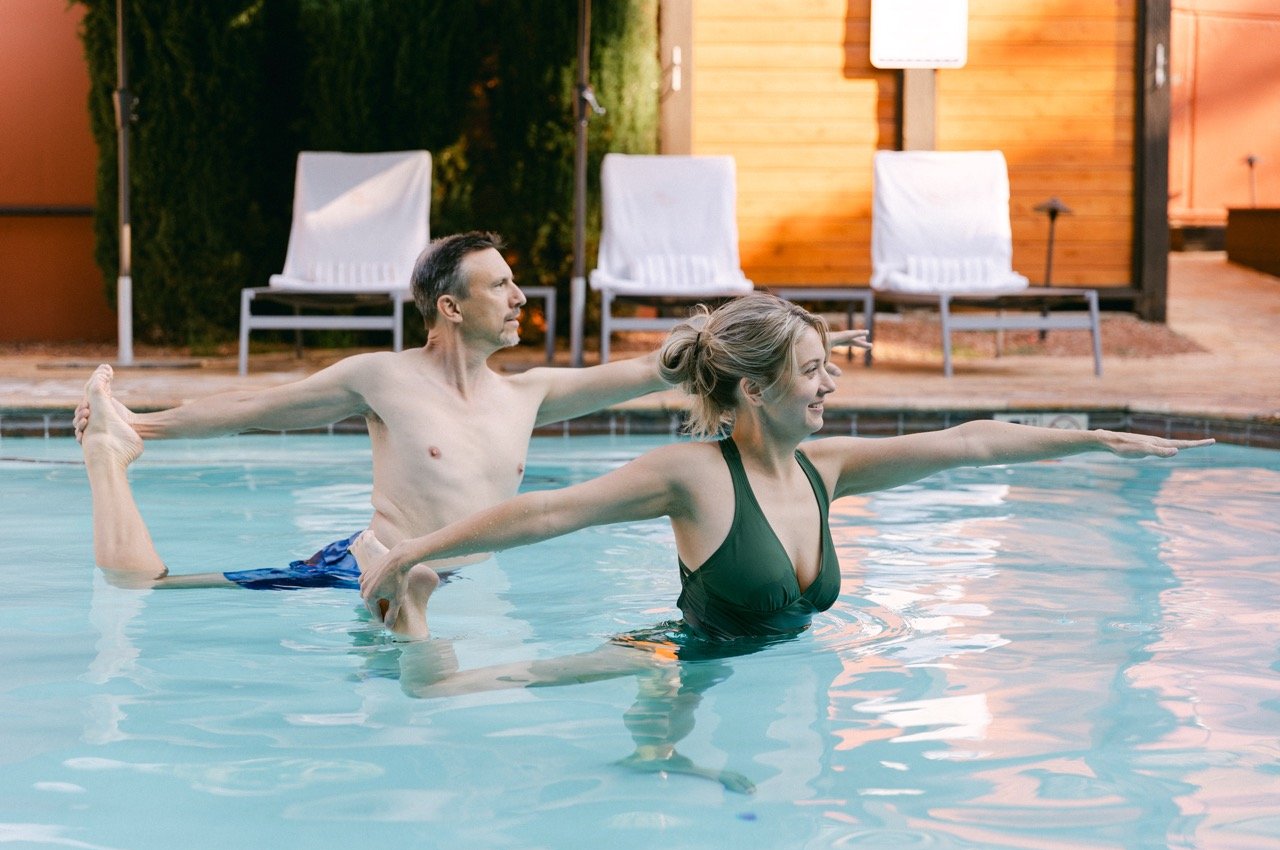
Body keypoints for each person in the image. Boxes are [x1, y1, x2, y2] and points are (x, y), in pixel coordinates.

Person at [358, 291, 1214, 643]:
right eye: (813, 370)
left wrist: (1100, 440)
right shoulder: (694, 475)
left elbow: (971, 440)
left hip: (772, 686)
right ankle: (415, 615)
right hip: (680, 677)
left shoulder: (825, 468)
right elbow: (550, 512)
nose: (832, 382)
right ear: (758, 392)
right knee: (457, 698)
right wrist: (407, 549)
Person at [77, 232, 866, 596]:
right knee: (150, 588)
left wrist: (779, 340)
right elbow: (260, 407)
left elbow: (662, 365)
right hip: (369, 570)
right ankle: (108, 456)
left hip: (469, 585)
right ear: (449, 307)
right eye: (501, 285)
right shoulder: (381, 377)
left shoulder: (531, 394)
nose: (521, 296)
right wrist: (145, 425)